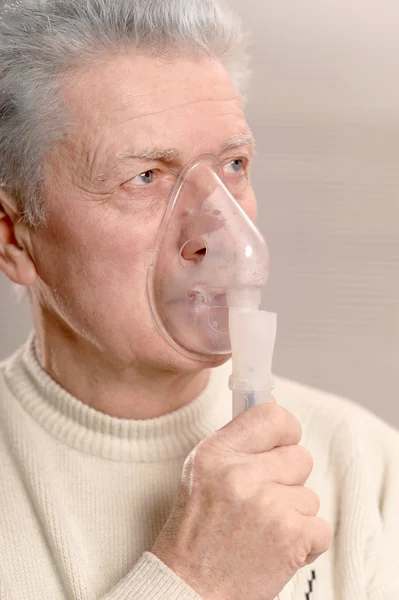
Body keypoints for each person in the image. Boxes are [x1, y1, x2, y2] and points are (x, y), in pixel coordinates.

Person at [0, 1, 398, 599]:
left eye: (233, 165)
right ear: (14, 237)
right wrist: (198, 580)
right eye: (146, 178)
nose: (218, 229)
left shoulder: (367, 470)